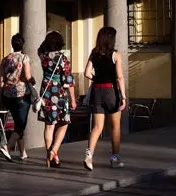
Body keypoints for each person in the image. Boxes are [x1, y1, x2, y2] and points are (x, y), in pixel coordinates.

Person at [83, 26, 126, 171]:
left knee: (97, 126)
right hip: (111, 91)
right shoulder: (116, 55)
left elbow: (87, 73)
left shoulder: (94, 53)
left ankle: (89, 155)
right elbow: (119, 77)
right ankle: (114, 158)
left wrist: (96, 78)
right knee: (115, 127)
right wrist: (124, 96)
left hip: (97, 90)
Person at [37, 31, 76, 168]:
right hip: (59, 92)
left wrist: (48, 37)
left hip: (46, 92)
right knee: (64, 123)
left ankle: (51, 155)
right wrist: (73, 99)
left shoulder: (43, 56)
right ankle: (53, 151)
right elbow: (68, 81)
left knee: (49, 125)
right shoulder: (63, 58)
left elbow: (40, 48)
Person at [0, 33, 33, 162]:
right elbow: (28, 77)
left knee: (18, 122)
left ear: (12, 45)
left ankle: (23, 152)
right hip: (21, 93)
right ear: (22, 45)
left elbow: (1, 81)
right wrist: (33, 81)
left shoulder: (5, 59)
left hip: (8, 94)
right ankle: (7, 146)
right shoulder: (24, 58)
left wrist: (0, 97)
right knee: (21, 124)